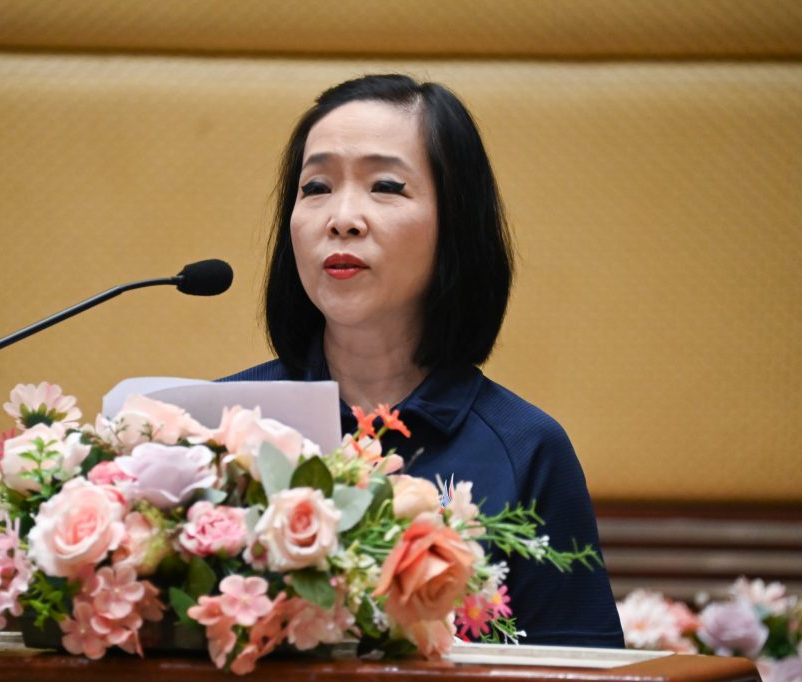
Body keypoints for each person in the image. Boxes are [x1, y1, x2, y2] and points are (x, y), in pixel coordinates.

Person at [222, 74, 624, 648]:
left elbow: (578, 667)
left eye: (386, 186)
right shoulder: (224, 427)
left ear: (454, 222)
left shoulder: (527, 448)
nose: (342, 218)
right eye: (316, 187)